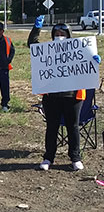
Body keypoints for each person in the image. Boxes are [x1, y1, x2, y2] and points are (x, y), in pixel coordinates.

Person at [27, 16, 100, 171]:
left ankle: (75, 158)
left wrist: (93, 61)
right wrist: (36, 29)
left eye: (63, 33)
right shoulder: (48, 51)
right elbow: (32, 45)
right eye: (57, 33)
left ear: (69, 35)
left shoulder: (78, 50)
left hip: (73, 97)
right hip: (51, 97)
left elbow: (86, 66)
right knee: (51, 128)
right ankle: (48, 158)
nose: (60, 36)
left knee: (72, 127)